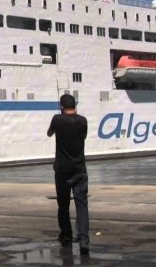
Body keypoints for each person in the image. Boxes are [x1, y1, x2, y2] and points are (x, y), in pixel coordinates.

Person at [47, 93, 90, 255]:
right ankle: (84, 241)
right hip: (80, 169)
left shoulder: (57, 120)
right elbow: (83, 137)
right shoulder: (83, 121)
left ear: (61, 106)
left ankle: (66, 237)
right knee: (82, 206)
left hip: (62, 170)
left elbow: (49, 133)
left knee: (63, 206)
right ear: (75, 106)